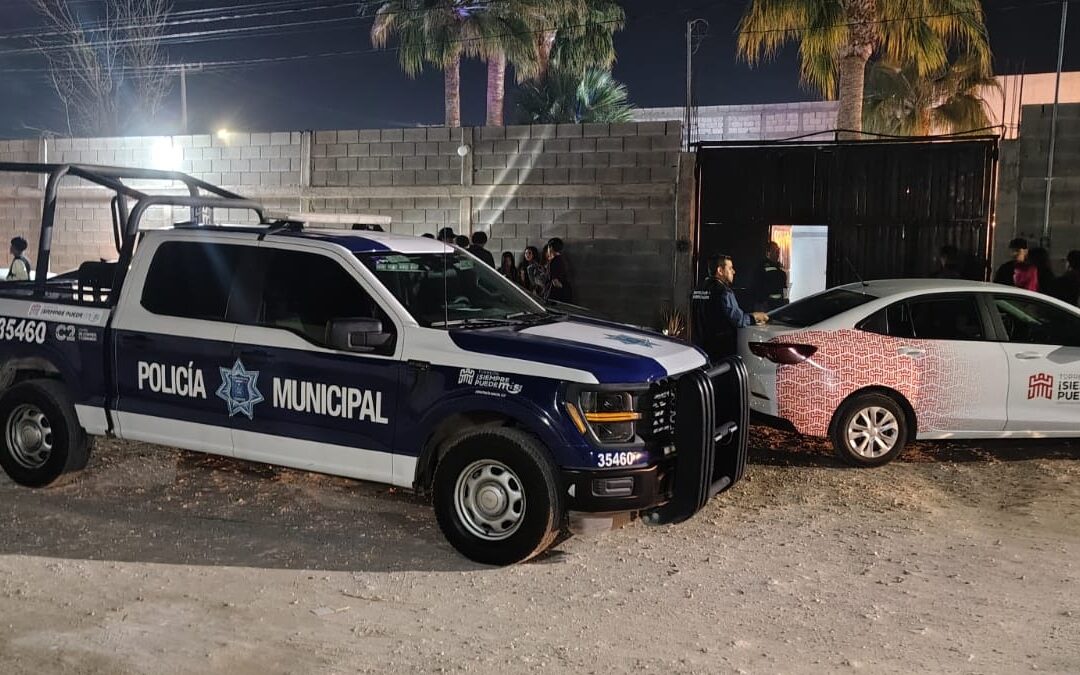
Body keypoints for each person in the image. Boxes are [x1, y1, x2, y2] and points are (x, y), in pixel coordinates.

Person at [691, 254, 769, 361]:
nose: (733, 272)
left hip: (700, 348)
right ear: (720, 270)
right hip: (721, 350)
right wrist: (755, 317)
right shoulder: (724, 292)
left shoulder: (697, 289)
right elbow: (738, 320)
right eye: (730, 268)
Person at [750, 241, 788, 311]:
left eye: (778, 250)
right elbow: (757, 286)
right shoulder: (761, 267)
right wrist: (763, 301)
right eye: (774, 250)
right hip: (765, 305)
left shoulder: (780, 268)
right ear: (768, 253)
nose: (777, 253)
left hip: (778, 305)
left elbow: (783, 287)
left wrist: (785, 300)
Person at [544, 237, 573, 304]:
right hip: (565, 294)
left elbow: (555, 281)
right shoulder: (563, 259)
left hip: (556, 296)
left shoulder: (554, 262)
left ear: (550, 247)